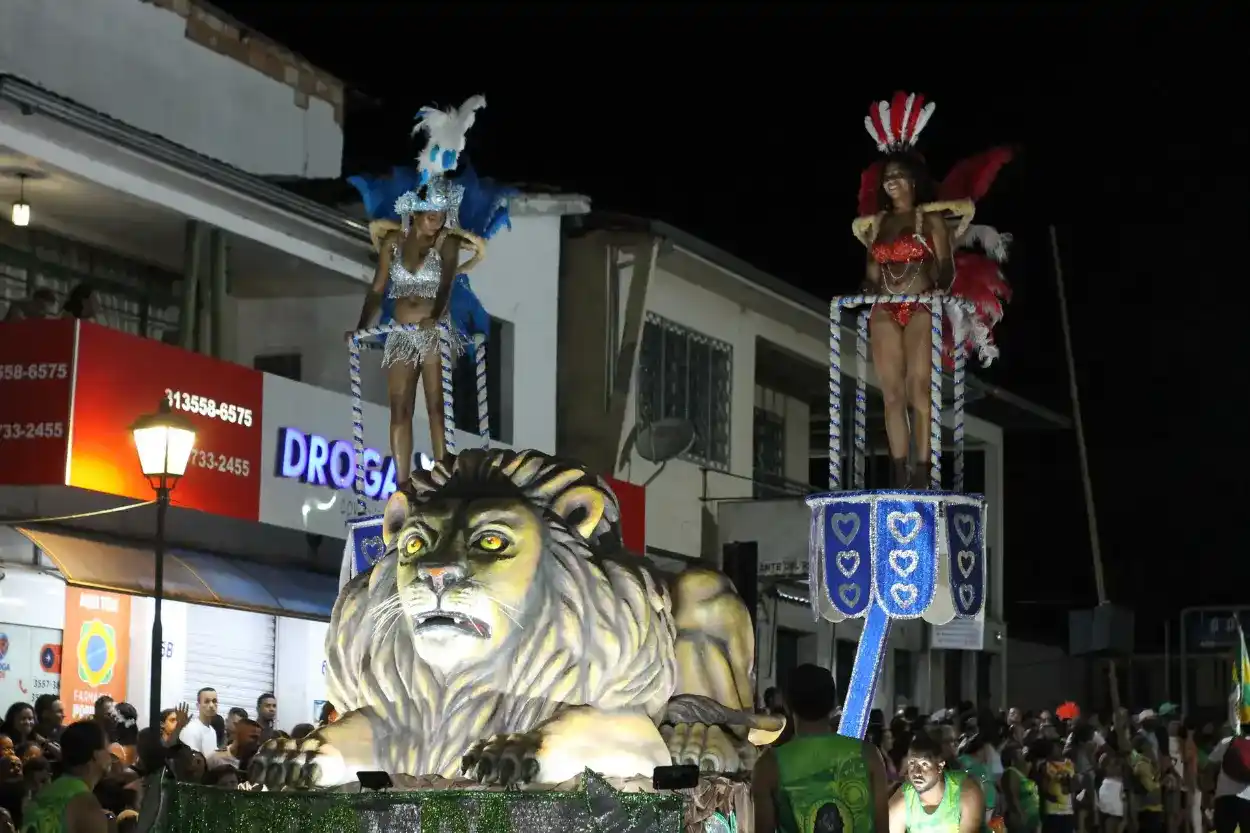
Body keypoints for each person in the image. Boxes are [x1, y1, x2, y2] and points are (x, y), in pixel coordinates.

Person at [346, 94, 513, 477]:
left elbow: (447, 287)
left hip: (434, 331)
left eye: (442, 214)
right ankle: (402, 484)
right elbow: (377, 289)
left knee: (437, 405)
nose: (436, 220)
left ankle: (442, 476)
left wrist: (436, 319)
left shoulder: (448, 244)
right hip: (401, 332)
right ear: (416, 210)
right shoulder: (393, 243)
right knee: (399, 407)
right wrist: (360, 328)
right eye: (430, 213)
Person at [853, 91, 1014, 488]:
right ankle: (898, 470)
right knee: (890, 396)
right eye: (886, 176)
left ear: (912, 179)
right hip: (885, 311)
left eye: (897, 175)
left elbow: (944, 269)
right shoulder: (879, 226)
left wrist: (936, 291)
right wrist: (870, 286)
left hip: (920, 307)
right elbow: (872, 270)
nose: (891, 182)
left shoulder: (933, 223)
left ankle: (922, 472)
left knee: (919, 393)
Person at [752, 663, 889, 833]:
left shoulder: (768, 765)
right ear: (834, 704)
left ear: (786, 705)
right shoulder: (869, 755)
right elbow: (882, 827)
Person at [20, 720, 112, 833]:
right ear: (95, 755)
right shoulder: (86, 803)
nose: (110, 756)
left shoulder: (45, 792)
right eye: (107, 749)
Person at [890, 731, 985, 833]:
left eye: (924, 764)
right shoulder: (901, 801)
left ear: (940, 767)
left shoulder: (966, 791)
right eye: (912, 763)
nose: (917, 772)